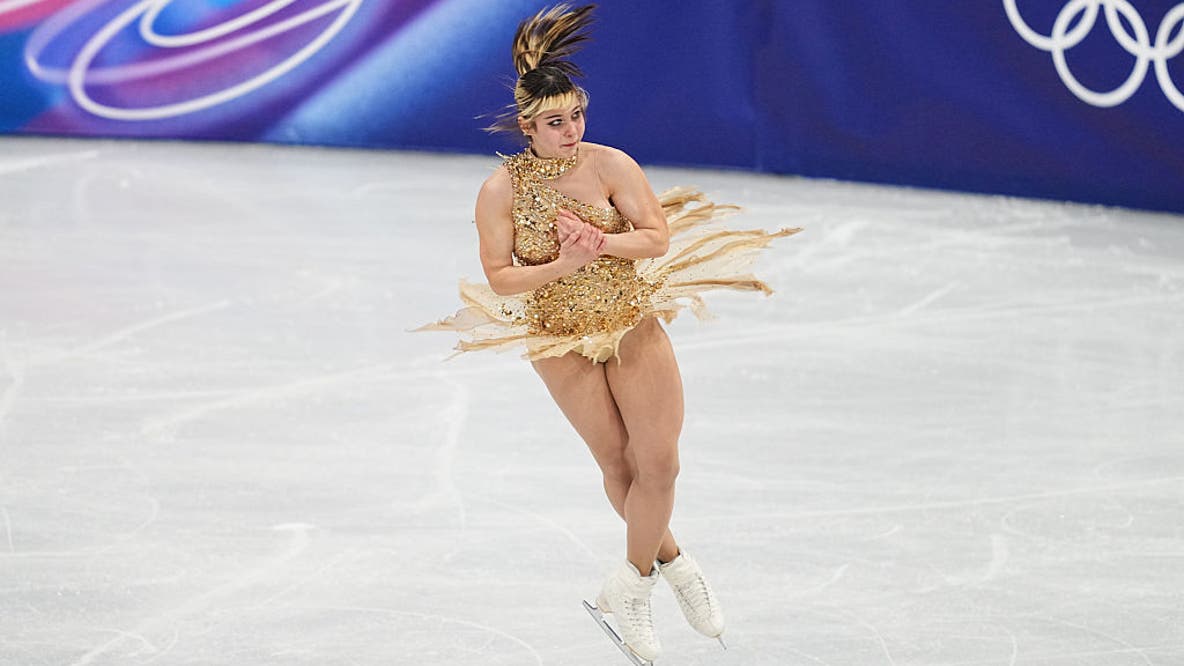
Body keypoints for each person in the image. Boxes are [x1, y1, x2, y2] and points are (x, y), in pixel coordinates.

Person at [417, 4, 799, 662]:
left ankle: (630, 582)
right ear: (529, 125)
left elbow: (656, 236)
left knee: (662, 463)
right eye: (556, 121)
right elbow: (500, 277)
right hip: (558, 338)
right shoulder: (498, 191)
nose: (571, 130)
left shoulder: (610, 165)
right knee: (619, 465)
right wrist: (565, 262)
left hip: (627, 319)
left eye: (577, 116)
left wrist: (605, 244)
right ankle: (665, 570)